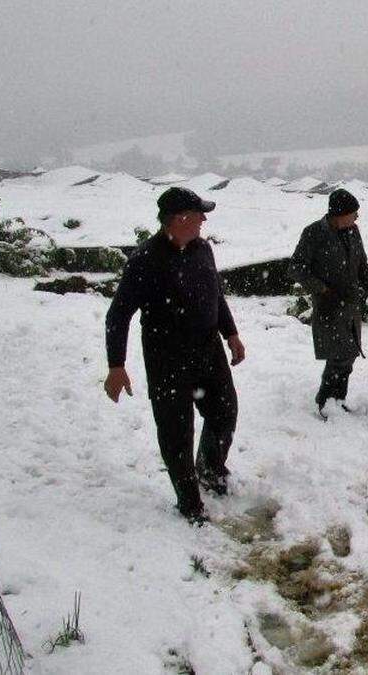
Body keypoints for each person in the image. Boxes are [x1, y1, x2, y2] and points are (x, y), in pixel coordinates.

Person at [104, 187, 246, 524]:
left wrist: (231, 333)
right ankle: (189, 501)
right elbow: (118, 314)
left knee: (224, 413)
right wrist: (116, 365)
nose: (204, 220)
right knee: (176, 433)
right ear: (181, 219)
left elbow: (216, 295)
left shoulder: (203, 250)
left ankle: (210, 470)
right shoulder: (146, 261)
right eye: (199, 215)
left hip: (208, 352)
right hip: (167, 359)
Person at [290, 188, 368, 420]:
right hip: (328, 305)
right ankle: (325, 401)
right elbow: (296, 267)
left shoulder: (353, 232)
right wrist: (321, 288)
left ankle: (337, 399)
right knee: (338, 355)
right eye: (353, 214)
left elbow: (362, 266)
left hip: (350, 303)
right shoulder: (314, 233)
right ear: (339, 214)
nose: (356, 218)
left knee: (349, 354)